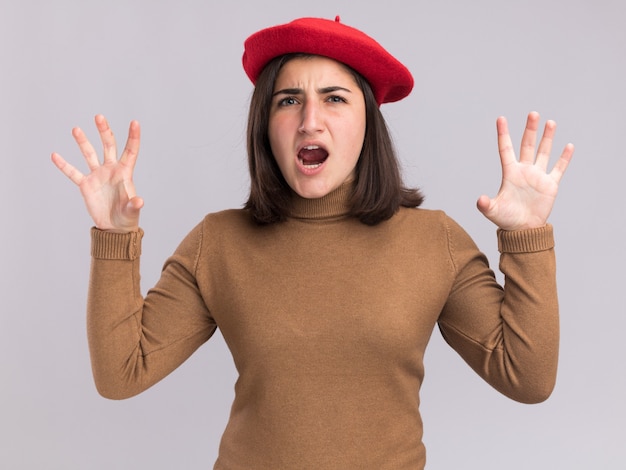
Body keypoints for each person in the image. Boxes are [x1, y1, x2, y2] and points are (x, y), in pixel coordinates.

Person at [51, 16, 574, 470]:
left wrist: (525, 237)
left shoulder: (433, 241)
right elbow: (122, 373)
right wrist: (114, 239)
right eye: (289, 100)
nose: (309, 120)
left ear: (368, 124)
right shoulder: (220, 242)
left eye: (335, 99)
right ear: (266, 125)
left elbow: (527, 378)